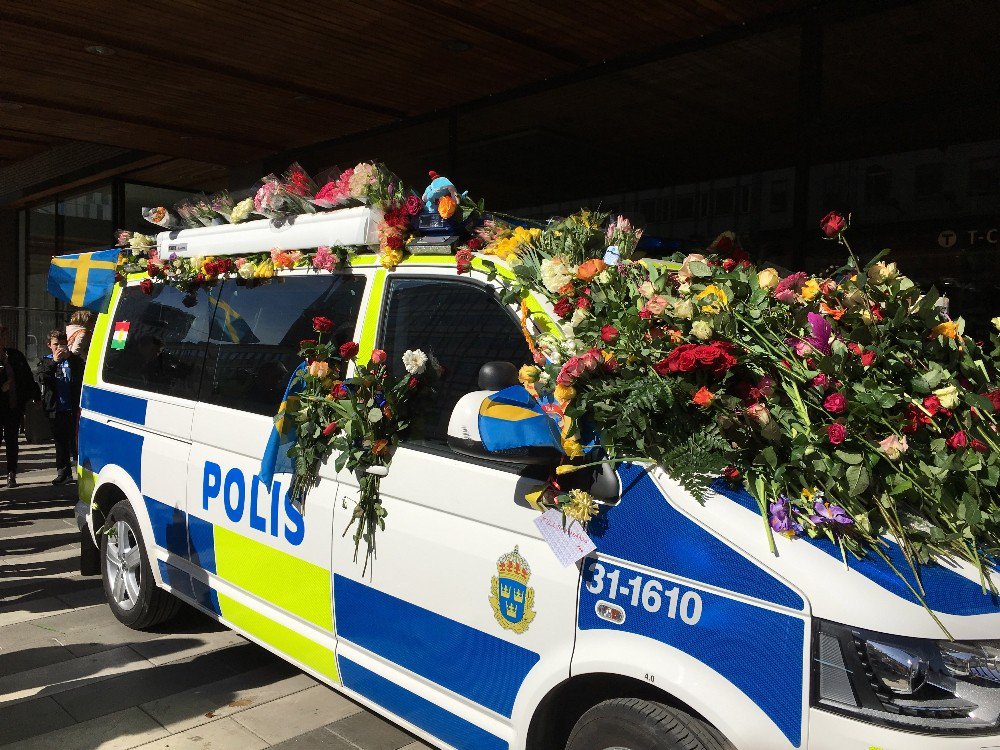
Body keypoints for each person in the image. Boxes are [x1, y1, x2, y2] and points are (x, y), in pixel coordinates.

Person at [36, 330, 84, 485]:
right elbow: (43, 378)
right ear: (49, 345)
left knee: (75, 442)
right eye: (56, 344)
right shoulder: (46, 361)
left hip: (73, 407)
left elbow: (82, 371)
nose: (59, 347)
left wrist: (69, 357)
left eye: (62, 344)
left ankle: (81, 473)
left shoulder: (73, 360)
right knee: (60, 442)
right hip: (56, 408)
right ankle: (63, 472)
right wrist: (54, 362)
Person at [0, 325, 40, 488]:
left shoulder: (14, 355)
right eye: (3, 335)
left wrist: (36, 397)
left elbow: (27, 377)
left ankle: (11, 473)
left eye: (5, 335)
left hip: (13, 406)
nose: (5, 339)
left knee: (11, 440)